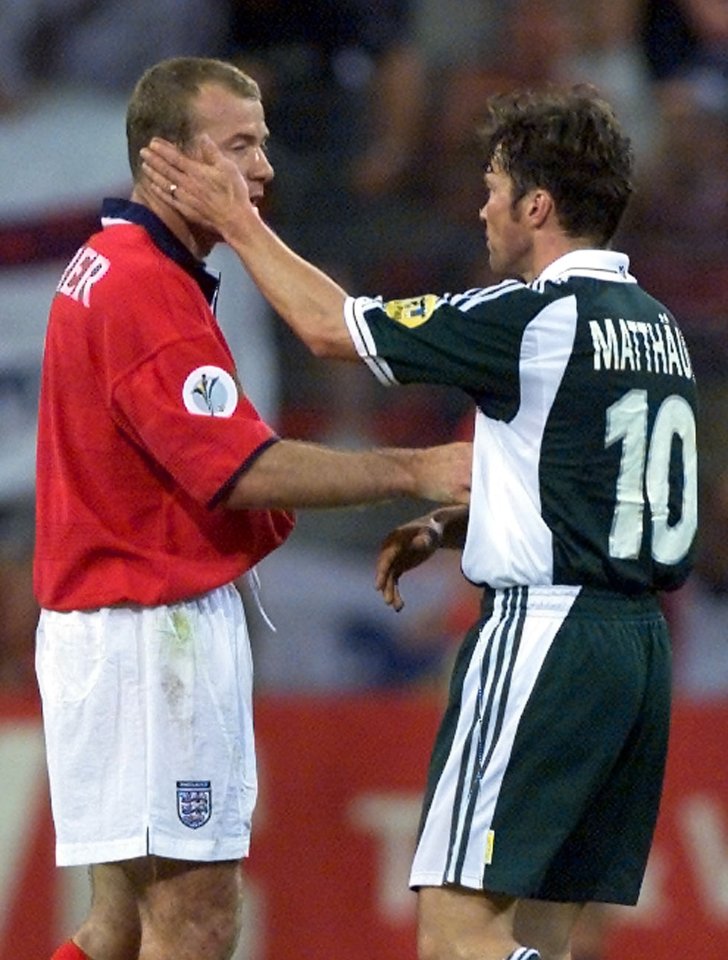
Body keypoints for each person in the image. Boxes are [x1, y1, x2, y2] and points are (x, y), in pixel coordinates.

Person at [141, 82, 699, 960]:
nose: (481, 206)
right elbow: (595, 478)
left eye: (494, 185)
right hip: (636, 651)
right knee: (541, 933)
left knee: (453, 935)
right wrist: (451, 525)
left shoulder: (534, 315)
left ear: (537, 204)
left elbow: (333, 329)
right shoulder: (656, 324)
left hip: (545, 638)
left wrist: (237, 219)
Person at [33, 56, 471, 960]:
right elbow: (242, 472)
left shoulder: (113, 265)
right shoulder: (143, 288)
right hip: (152, 640)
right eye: (239, 146)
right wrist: (416, 467)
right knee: (196, 923)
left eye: (263, 142)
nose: (263, 168)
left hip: (113, 634)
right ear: (168, 161)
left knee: (116, 930)